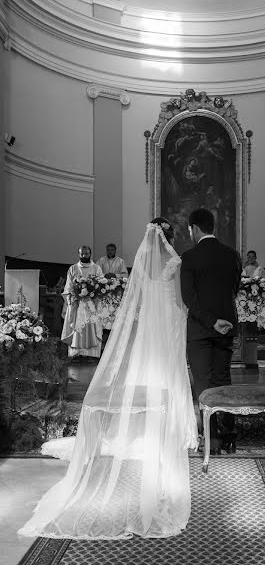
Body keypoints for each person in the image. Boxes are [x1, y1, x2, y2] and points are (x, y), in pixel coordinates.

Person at [19, 219, 198, 539]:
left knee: (147, 368)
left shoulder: (141, 262)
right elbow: (180, 300)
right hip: (170, 322)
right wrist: (187, 315)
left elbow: (139, 302)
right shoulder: (175, 261)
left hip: (148, 326)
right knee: (171, 370)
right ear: (169, 237)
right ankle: (173, 428)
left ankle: (144, 427)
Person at [180, 208, 242, 454]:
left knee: (204, 384)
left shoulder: (190, 257)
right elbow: (233, 290)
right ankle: (229, 437)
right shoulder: (233, 255)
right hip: (227, 326)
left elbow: (189, 299)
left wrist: (210, 321)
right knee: (223, 380)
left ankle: (212, 441)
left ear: (194, 228)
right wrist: (221, 320)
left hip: (200, 331)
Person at [61, 246, 104, 358]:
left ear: (90, 254)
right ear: (78, 254)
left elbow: (101, 285)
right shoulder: (73, 269)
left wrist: (92, 294)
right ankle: (76, 354)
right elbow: (68, 287)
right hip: (77, 304)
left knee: (92, 328)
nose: (84, 256)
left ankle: (91, 355)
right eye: (82, 254)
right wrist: (74, 296)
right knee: (76, 330)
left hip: (91, 304)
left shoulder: (96, 268)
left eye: (86, 254)